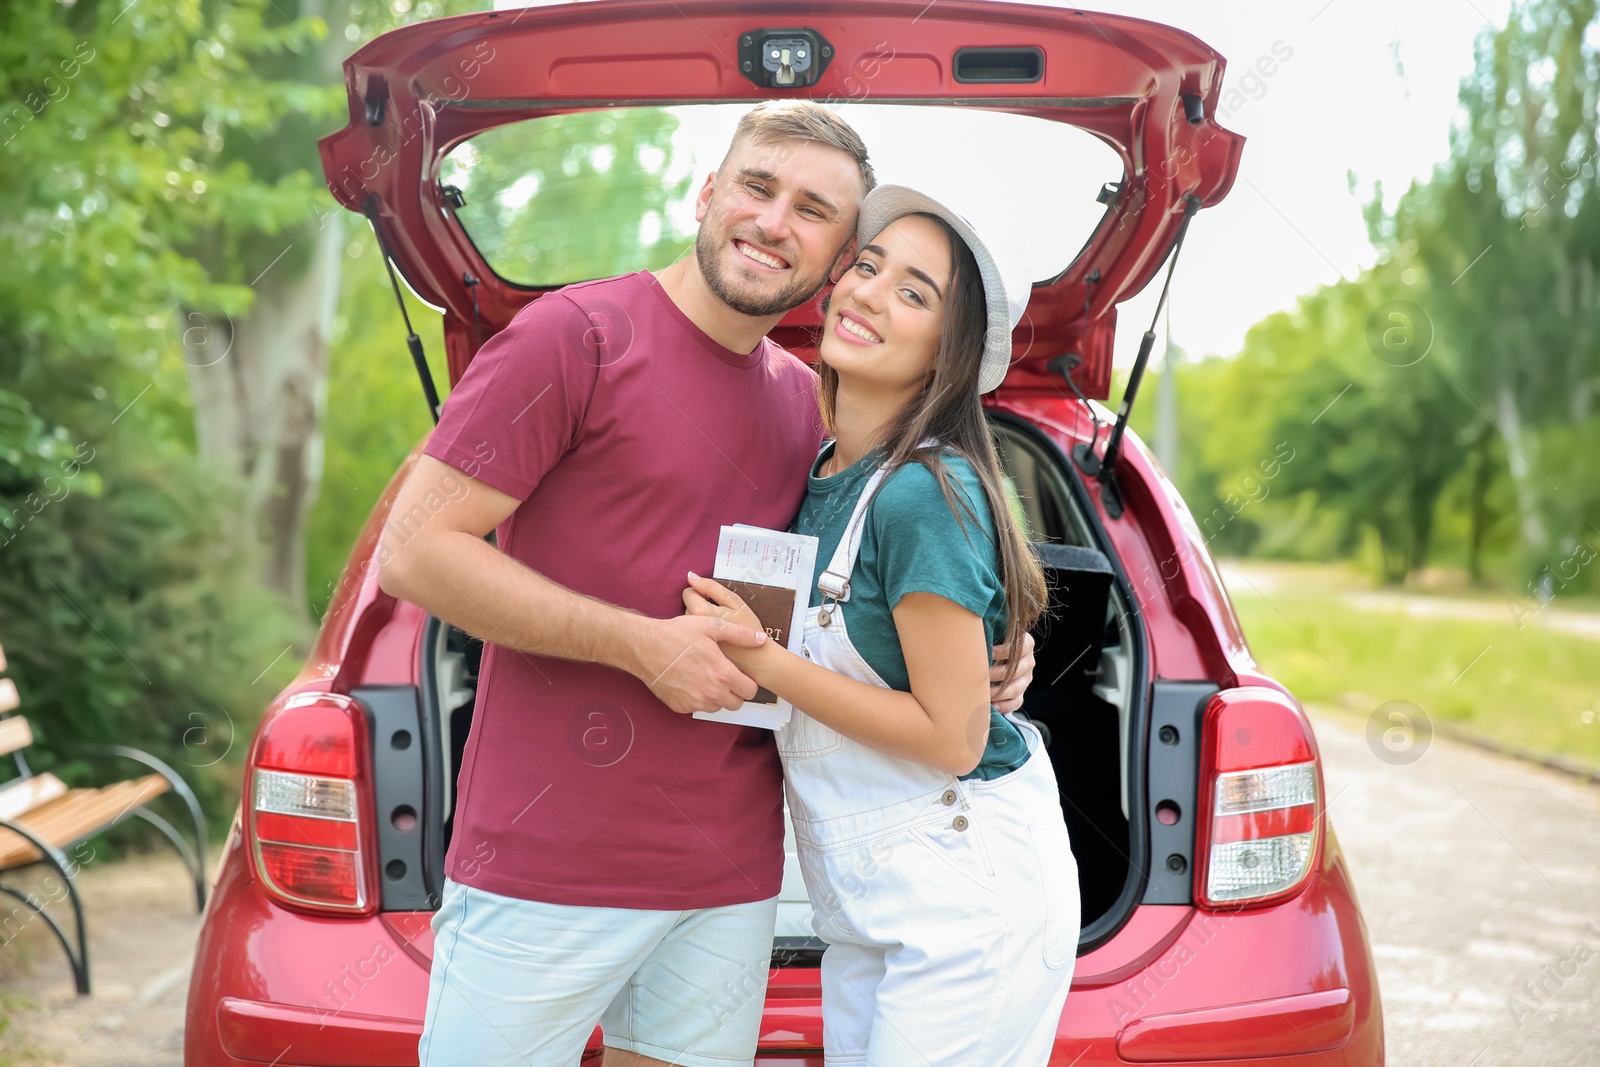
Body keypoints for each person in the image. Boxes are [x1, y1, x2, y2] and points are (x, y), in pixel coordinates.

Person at [378, 103, 1038, 1067]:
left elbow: (894, 565)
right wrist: (639, 644)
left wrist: (999, 657)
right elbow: (415, 552)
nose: (776, 222)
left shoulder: (808, 410)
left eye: (815, 212)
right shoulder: (574, 337)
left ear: (834, 257)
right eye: (759, 187)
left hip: (731, 884)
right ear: (708, 192)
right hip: (543, 865)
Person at [683, 185, 1080, 1066]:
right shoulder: (819, 470)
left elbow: (952, 735)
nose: (867, 292)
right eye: (866, 266)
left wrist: (762, 659)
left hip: (967, 900)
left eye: (914, 293)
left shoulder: (922, 496)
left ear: (950, 347)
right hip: (866, 906)